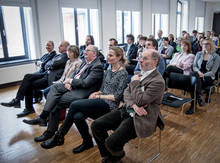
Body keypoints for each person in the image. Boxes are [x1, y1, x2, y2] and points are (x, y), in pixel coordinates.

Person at [39, 47, 128, 154]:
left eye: (111, 55)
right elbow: (102, 89)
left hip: (110, 105)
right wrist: (96, 93)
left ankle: (59, 135)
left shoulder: (123, 73)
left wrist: (99, 97)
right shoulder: (108, 69)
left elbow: (117, 97)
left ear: (119, 57)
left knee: (75, 105)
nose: (108, 58)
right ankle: (87, 142)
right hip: (100, 101)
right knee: (77, 116)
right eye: (108, 55)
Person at [91, 49, 165, 163]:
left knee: (111, 142)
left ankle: (116, 155)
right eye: (141, 57)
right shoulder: (138, 74)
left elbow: (140, 100)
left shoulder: (158, 81)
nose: (140, 60)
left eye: (145, 58)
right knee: (96, 125)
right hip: (129, 109)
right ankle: (111, 156)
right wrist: (134, 105)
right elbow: (126, 93)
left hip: (142, 117)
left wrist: (134, 84)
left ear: (155, 62)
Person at [22, 45, 103, 127]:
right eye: (85, 50)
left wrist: (70, 81)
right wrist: (68, 82)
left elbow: (86, 83)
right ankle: (44, 119)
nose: (84, 52)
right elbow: (74, 74)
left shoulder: (97, 66)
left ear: (94, 54)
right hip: (73, 85)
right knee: (54, 88)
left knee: (55, 100)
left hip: (82, 91)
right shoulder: (85, 62)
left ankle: (45, 122)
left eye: (87, 50)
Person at [1, 41, 69, 117]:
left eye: (61, 46)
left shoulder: (65, 56)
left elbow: (52, 64)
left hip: (50, 78)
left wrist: (49, 65)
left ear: (66, 48)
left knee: (29, 83)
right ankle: (19, 101)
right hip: (46, 73)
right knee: (27, 77)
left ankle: (23, 104)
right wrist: (49, 65)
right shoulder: (58, 56)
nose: (58, 47)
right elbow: (47, 64)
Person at [186, 39, 220, 114]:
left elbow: (213, 72)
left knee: (193, 80)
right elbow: (194, 66)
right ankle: (198, 98)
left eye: (207, 44)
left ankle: (193, 105)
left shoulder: (216, 56)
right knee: (194, 78)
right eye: (203, 44)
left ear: (211, 45)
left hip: (208, 77)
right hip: (198, 74)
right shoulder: (199, 54)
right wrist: (199, 72)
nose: (205, 46)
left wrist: (203, 75)